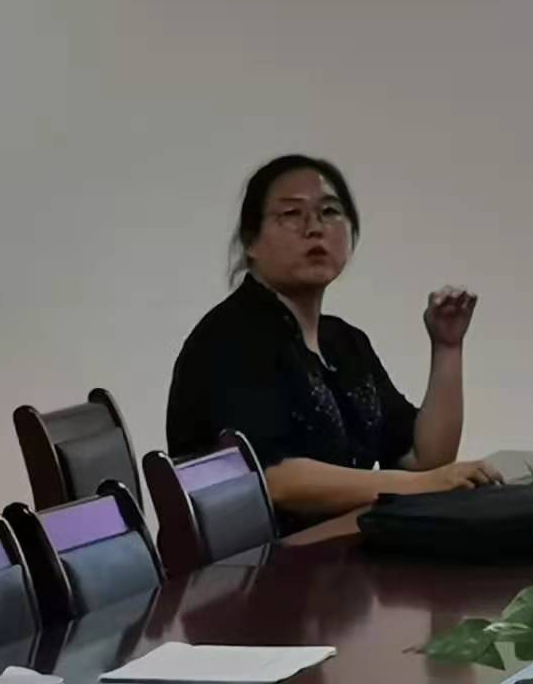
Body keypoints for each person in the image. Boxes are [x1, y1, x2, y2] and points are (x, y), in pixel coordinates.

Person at [166, 155, 502, 532]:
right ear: (250, 241)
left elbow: (424, 459)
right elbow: (274, 479)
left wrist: (447, 348)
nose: (314, 228)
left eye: (329, 212)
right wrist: (418, 485)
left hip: (339, 550)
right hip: (257, 563)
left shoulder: (343, 342)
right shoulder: (230, 338)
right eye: (291, 214)